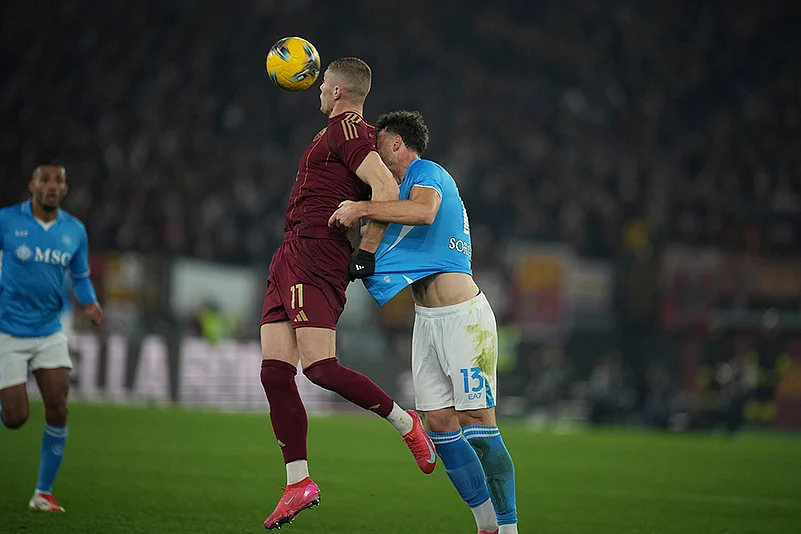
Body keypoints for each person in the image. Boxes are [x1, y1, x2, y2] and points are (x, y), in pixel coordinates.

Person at [259, 59, 436, 530]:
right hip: (290, 252)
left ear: (337, 91)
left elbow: (386, 187)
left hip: (317, 253)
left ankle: (406, 423)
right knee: (275, 374)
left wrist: (366, 252)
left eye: (321, 84)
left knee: (320, 369)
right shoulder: (335, 133)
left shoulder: (350, 130)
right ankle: (299, 482)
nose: (316, 90)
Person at [329, 110, 519, 534]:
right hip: (427, 321)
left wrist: (361, 204)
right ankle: (486, 525)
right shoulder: (395, 195)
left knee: (477, 424)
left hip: (464, 318)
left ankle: (509, 531)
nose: (372, 155)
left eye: (378, 145)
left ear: (397, 143)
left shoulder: (427, 173)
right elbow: (384, 228)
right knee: (439, 424)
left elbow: (427, 212)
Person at [0, 163, 103, 512]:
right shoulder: (7, 221)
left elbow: (80, 275)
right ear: (32, 185)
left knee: (58, 405)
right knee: (15, 418)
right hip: (8, 331)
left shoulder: (74, 230)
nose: (51, 186)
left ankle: (43, 492)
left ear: (65, 189)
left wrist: (89, 304)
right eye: (45, 180)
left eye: (58, 181)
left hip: (49, 331)